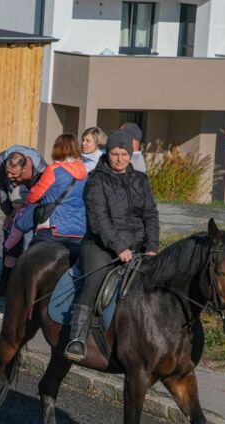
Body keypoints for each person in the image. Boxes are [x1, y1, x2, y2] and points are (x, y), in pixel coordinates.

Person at [64, 131, 160, 362]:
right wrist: (119, 247)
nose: (120, 159)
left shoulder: (141, 180)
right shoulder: (96, 180)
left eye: (124, 154)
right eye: (115, 154)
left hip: (138, 246)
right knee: (93, 283)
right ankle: (77, 338)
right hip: (100, 246)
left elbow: (150, 215)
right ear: (107, 154)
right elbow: (99, 220)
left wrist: (152, 247)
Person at [15, 133, 88, 262]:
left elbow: (32, 197)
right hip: (79, 231)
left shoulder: (53, 170)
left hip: (53, 230)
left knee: (29, 261)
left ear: (57, 149)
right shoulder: (85, 172)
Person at [0, 145, 46, 297]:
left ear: (25, 168)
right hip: (14, 201)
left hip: (33, 202)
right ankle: (5, 282)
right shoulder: (0, 161)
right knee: (10, 239)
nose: (10, 177)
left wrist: (29, 213)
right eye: (8, 173)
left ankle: (27, 286)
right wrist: (9, 213)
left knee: (29, 240)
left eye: (14, 174)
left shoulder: (41, 168)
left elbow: (44, 194)